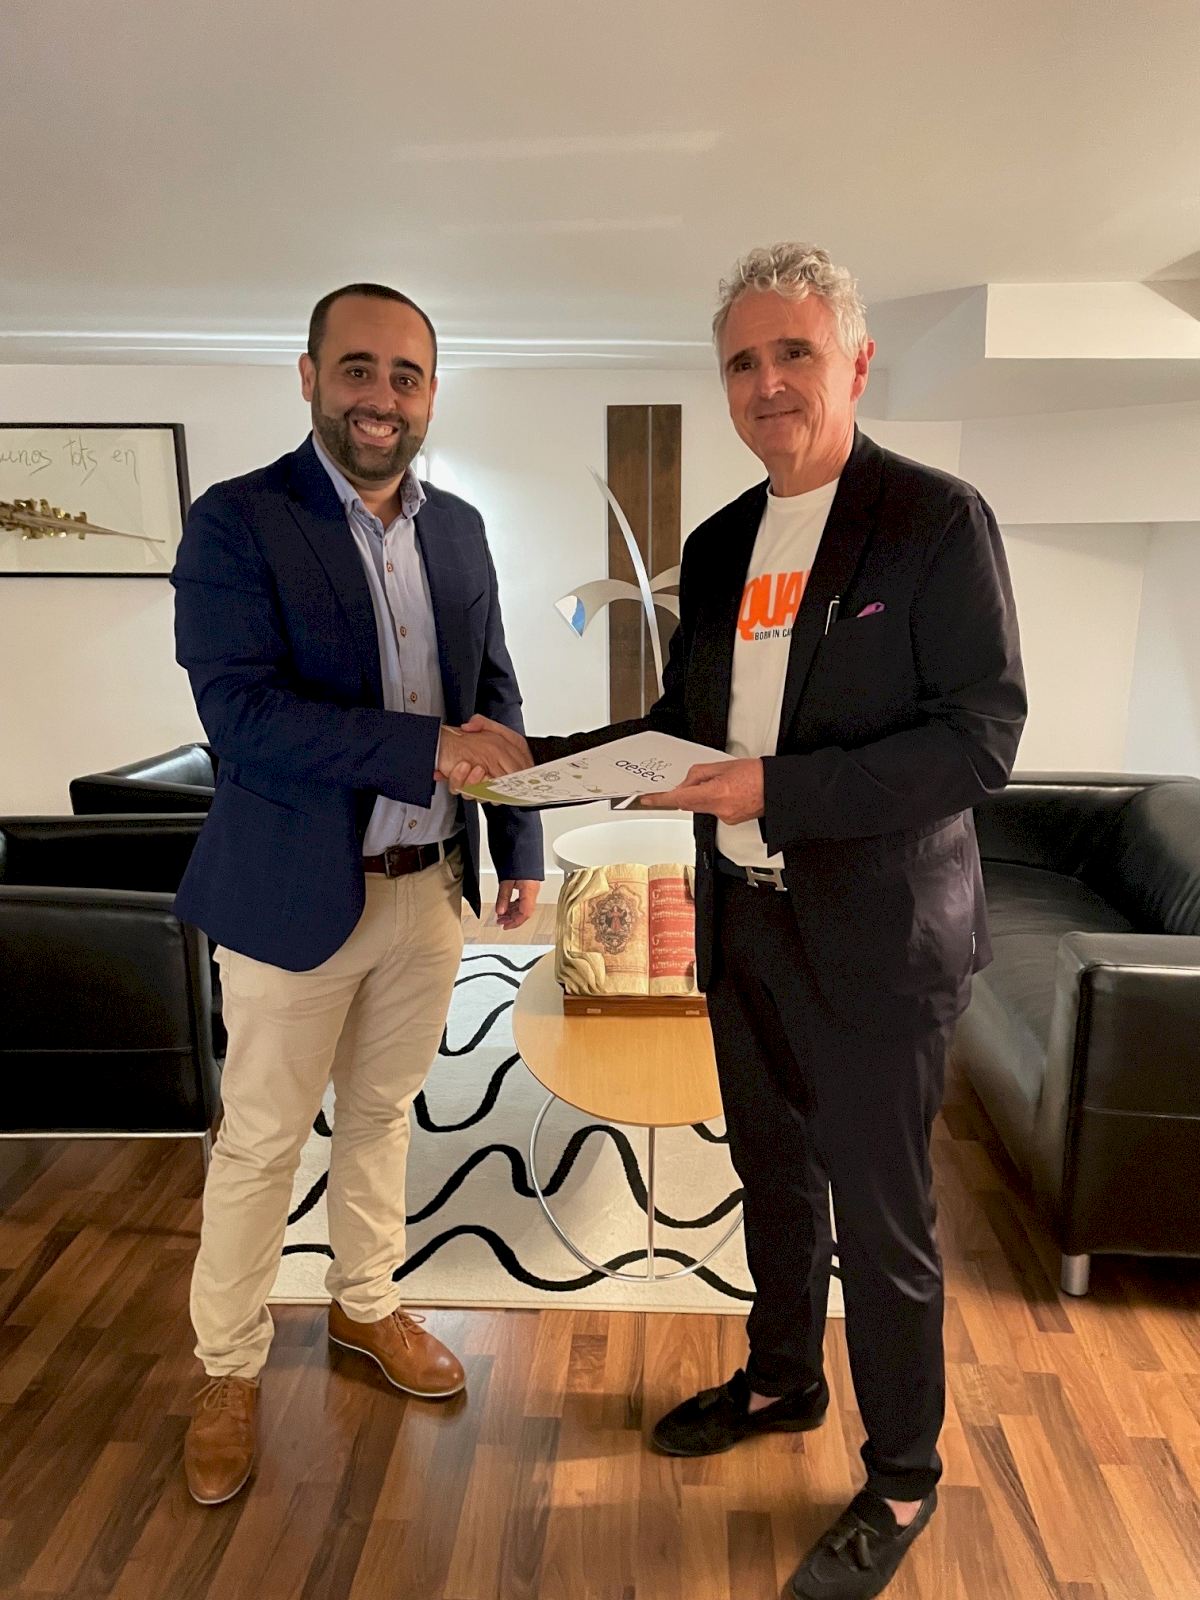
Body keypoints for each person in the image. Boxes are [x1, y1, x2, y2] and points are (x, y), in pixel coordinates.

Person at [454, 243, 1025, 1600]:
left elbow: (978, 740)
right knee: (771, 1175)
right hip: (746, 924)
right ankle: (781, 1382)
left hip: (880, 937)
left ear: (856, 363)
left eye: (794, 353)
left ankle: (903, 1474)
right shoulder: (717, 545)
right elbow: (680, 729)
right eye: (742, 362)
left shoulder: (933, 520)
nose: (767, 383)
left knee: (881, 1223)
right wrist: (529, 758)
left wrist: (779, 787)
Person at [171, 282, 542, 1507]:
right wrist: (421, 748)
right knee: (262, 1142)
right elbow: (243, 715)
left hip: (429, 889)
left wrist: (521, 844)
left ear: (431, 394)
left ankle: (365, 1303)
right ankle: (227, 1369)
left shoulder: (462, 529)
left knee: (382, 1115)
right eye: (359, 369)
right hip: (291, 895)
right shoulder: (238, 521)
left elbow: (493, 693)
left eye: (407, 375)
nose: (383, 397)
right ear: (310, 376)